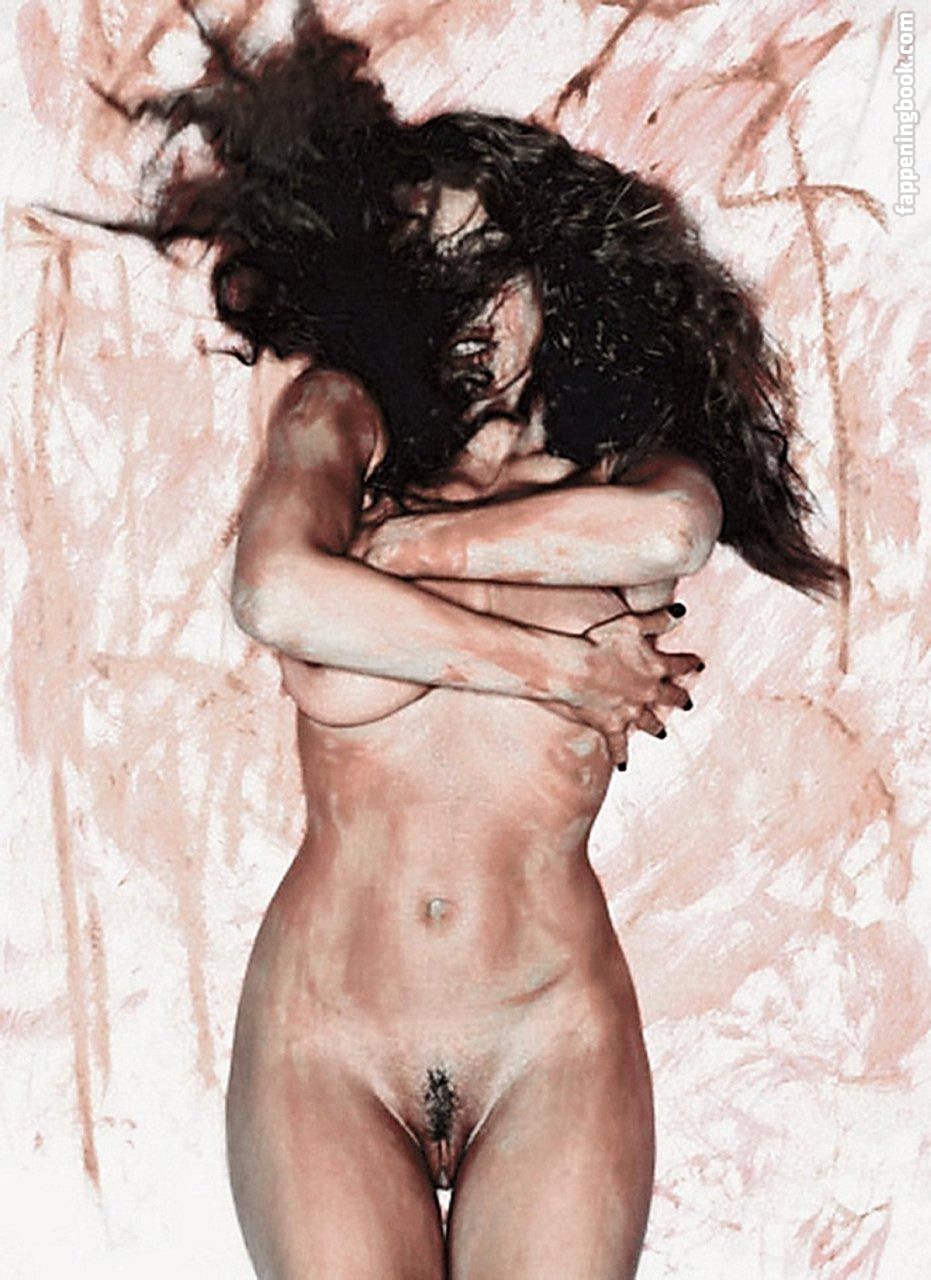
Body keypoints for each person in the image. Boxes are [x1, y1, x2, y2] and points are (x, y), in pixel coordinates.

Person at [96, 5, 845, 1275]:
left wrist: (407, 551)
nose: (474, 304)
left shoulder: (619, 466)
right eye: (433, 267)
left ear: (558, 267)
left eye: (496, 258)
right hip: (326, 1036)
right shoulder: (340, 420)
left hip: (550, 1034)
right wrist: (559, 666)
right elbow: (275, 591)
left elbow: (676, 525)